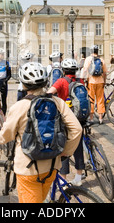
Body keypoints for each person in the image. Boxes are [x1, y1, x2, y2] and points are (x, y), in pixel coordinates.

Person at [0, 62, 82, 203]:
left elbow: (6, 134)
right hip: (52, 166)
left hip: (28, 168)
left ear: (24, 85)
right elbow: (77, 129)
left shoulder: (19, 106)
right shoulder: (57, 102)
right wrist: (66, 152)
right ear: (45, 81)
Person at [47, 58, 85, 186]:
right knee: (78, 146)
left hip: (67, 119)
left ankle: (63, 179)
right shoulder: (80, 81)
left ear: (63, 70)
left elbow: (49, 92)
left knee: (64, 148)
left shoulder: (61, 81)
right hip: (80, 118)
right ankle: (79, 177)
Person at [81, 45, 107, 124]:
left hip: (91, 81)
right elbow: (105, 72)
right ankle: (100, 118)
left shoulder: (88, 59)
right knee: (100, 99)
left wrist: (82, 78)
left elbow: (85, 70)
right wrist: (104, 81)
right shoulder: (101, 59)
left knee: (91, 99)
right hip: (100, 81)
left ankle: (91, 118)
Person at [0, 48, 11, 115]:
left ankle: (3, 115)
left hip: (3, 82)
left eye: (3, 54)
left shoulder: (6, 63)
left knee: (4, 100)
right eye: (1, 54)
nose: (3, 55)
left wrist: (5, 81)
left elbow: (9, 74)